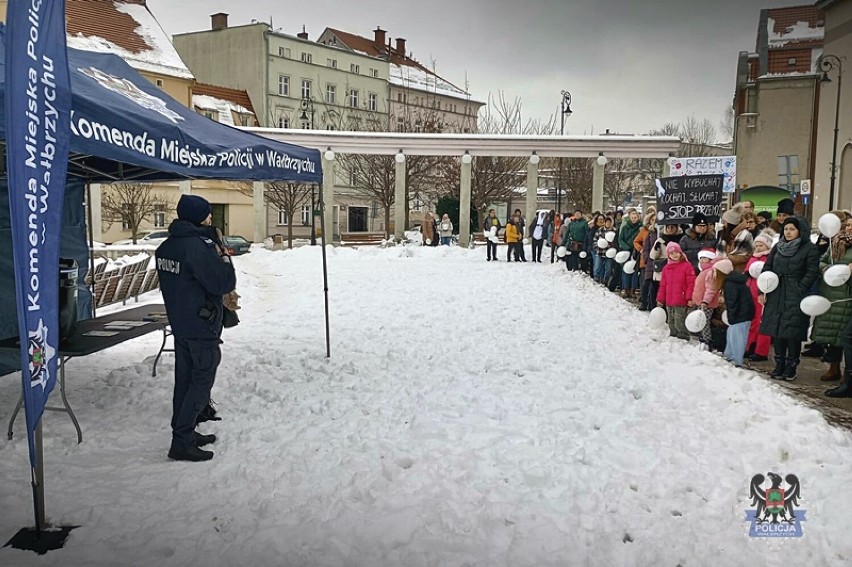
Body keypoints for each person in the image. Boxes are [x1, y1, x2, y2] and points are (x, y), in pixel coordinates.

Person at [157, 194, 237, 462]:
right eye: (207, 213)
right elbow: (222, 283)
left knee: (185, 381)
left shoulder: (168, 246)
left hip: (181, 323)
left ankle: (185, 434)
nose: (211, 217)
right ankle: (181, 441)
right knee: (201, 382)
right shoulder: (198, 246)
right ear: (197, 216)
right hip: (201, 325)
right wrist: (223, 253)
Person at [759, 216, 820, 380]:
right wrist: (763, 289)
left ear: (800, 231)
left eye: (792, 229)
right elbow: (767, 267)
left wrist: (800, 288)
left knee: (792, 331)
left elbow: (812, 271)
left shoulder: (808, 248)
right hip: (776, 292)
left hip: (795, 293)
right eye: (786, 229)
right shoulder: (778, 247)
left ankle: (791, 366)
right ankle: (779, 364)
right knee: (777, 329)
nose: (788, 232)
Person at [808, 218, 852, 382]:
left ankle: (848, 372)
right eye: (847, 225)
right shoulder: (836, 243)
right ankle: (833, 368)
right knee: (831, 332)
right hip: (830, 292)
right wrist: (827, 269)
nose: (849, 228)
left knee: (844, 334)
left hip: (847, 294)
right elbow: (821, 261)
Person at [744, 231, 775, 362]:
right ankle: (749, 346)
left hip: (763, 293)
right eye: (756, 245)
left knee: (762, 322)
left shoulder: (769, 259)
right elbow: (747, 272)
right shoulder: (753, 258)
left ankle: (761, 350)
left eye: (761, 245)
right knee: (751, 320)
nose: (758, 248)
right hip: (750, 293)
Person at [656, 242, 696, 340]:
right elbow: (663, 285)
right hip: (669, 300)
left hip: (681, 300)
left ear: (680, 252)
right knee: (671, 321)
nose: (675, 255)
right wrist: (660, 299)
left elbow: (691, 284)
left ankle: (683, 337)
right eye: (671, 253)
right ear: (668, 255)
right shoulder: (666, 268)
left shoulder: (687, 266)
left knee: (680, 321)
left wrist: (689, 298)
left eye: (676, 252)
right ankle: (673, 336)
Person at [720, 258, 755, 367]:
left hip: (741, 314)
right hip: (742, 313)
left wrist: (732, 317)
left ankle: (737, 359)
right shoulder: (733, 281)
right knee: (731, 334)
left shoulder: (730, 284)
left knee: (737, 337)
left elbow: (732, 302)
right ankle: (729, 354)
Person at [618, 208, 643, 298]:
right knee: (625, 269)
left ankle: (633, 289)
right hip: (626, 251)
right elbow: (620, 239)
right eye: (632, 217)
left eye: (635, 217)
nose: (633, 219)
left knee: (634, 271)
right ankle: (626, 288)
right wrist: (626, 247)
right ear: (629, 217)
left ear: (638, 217)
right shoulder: (625, 227)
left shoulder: (641, 227)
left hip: (636, 251)